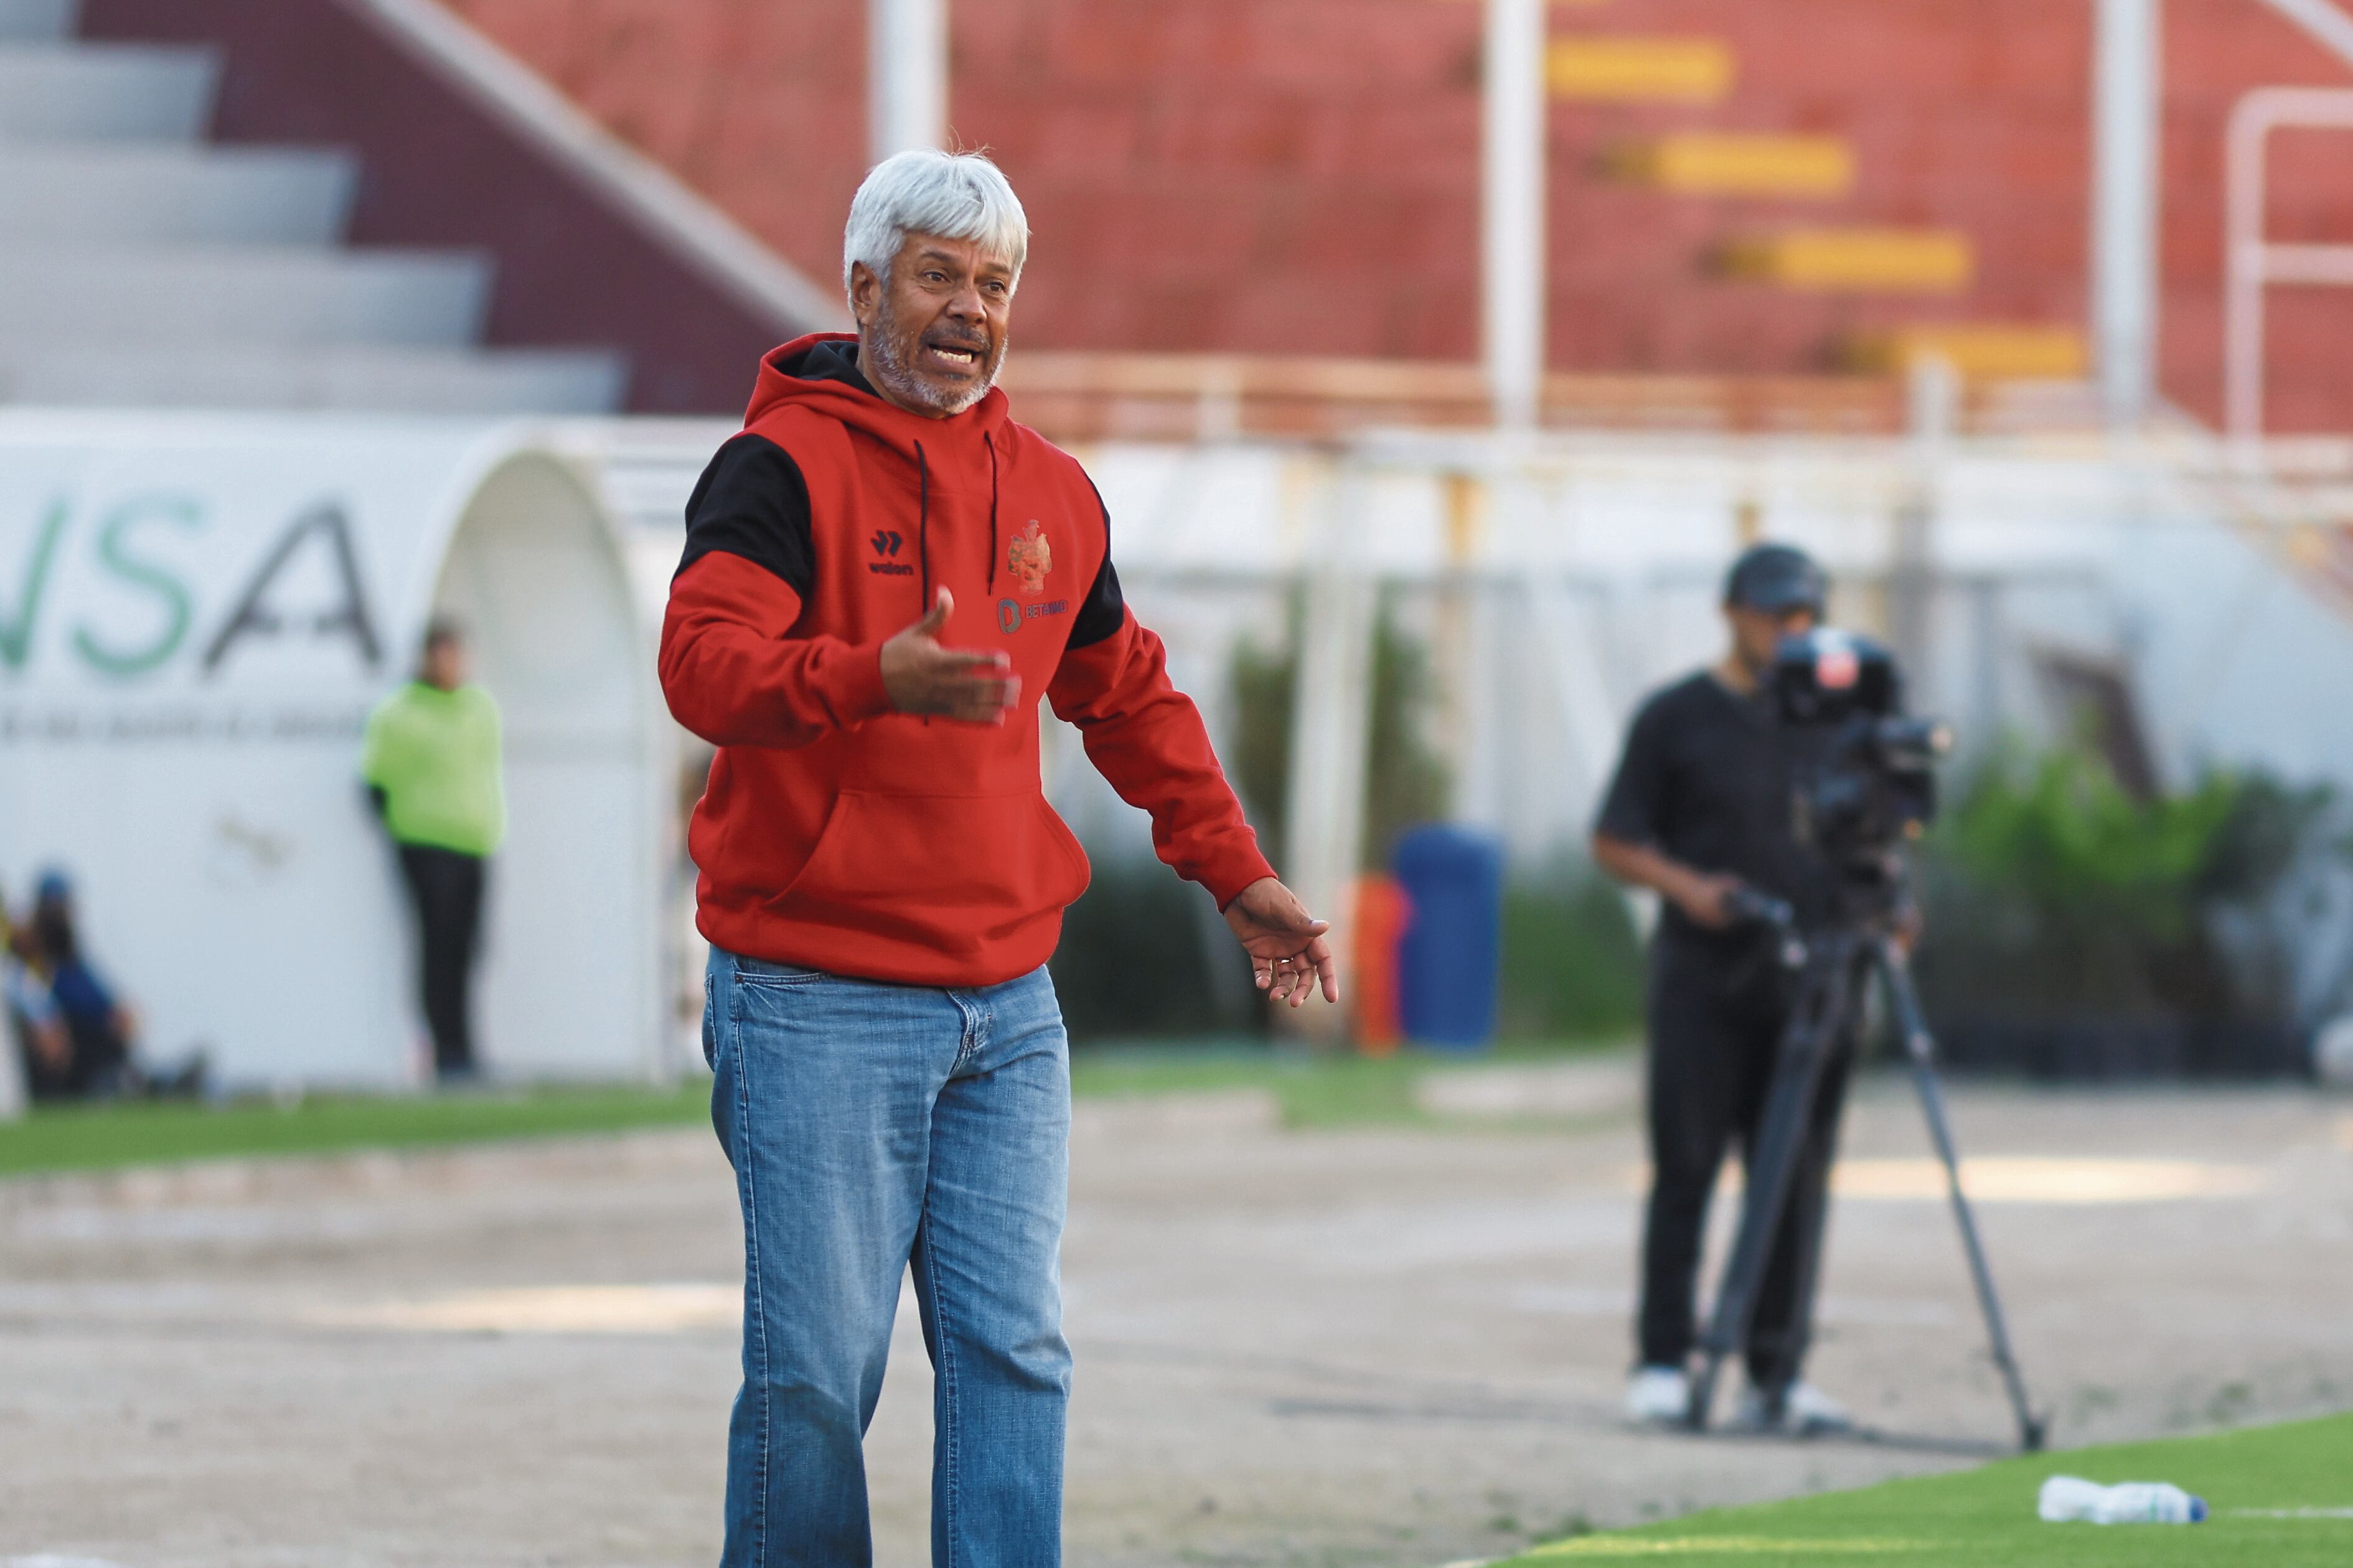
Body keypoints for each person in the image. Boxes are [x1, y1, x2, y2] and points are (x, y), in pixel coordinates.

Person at [659, 148, 1338, 1567]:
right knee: (813, 1376)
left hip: (1009, 1005)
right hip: (813, 993)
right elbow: (703, 666)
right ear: (863, 289)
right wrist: (867, 673)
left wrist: (1237, 870)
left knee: (1015, 1347)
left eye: (995, 283)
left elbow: (1131, 699)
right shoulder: (775, 468)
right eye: (938, 275)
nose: (970, 308)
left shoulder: (1054, 494)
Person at [1591, 542, 1856, 1435]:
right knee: (1687, 1168)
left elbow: (1877, 834)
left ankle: (1776, 1372)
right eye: (1774, 613)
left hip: (1812, 985)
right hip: (1704, 982)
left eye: (1803, 616)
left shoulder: (1832, 720)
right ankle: (1664, 1360)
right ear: (1732, 612)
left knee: (1795, 1178)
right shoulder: (1676, 717)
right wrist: (1689, 888)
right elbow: (1615, 836)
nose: (1789, 631)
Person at [362, 618, 504, 1084]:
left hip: (474, 841)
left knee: (467, 950)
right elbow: (374, 780)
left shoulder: (478, 707)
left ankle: (466, 1047)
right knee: (437, 951)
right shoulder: (400, 711)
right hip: (424, 842)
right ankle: (444, 1051)